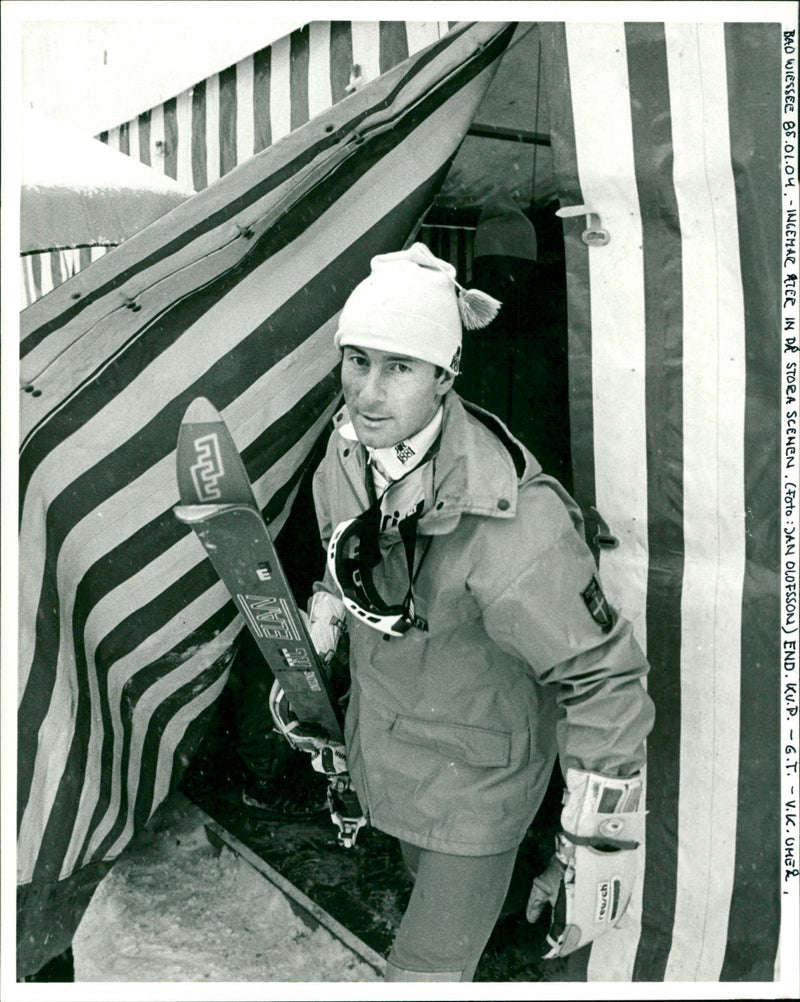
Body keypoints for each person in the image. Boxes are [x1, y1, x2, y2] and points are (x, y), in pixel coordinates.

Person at [303, 242, 655, 981]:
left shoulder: (514, 525)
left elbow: (602, 676)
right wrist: (330, 609)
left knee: (423, 970)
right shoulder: (341, 460)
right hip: (392, 755)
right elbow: (351, 556)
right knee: (430, 886)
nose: (368, 393)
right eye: (357, 360)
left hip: (478, 786)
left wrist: (595, 842)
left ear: (445, 375)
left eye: (399, 367)